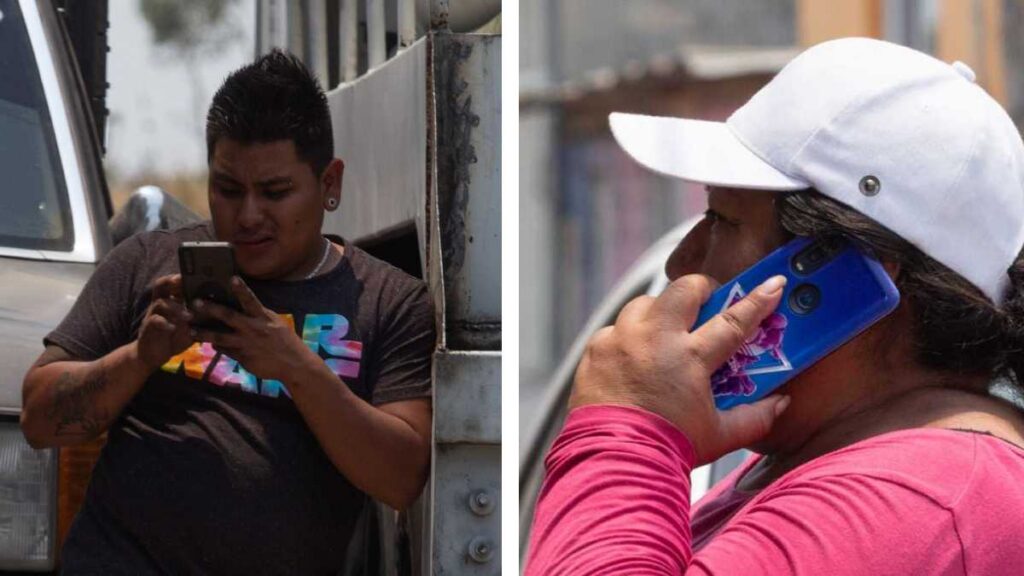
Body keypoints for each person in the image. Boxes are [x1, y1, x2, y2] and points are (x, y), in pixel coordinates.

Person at [525, 37, 1024, 574]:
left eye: (723, 220)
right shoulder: (844, 455)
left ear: (852, 273)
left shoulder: (914, 500)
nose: (681, 262)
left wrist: (629, 427)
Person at [20, 50, 435, 574]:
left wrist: (295, 366)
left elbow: (402, 478)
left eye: (275, 192)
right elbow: (38, 421)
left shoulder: (388, 301)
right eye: (228, 189)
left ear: (329, 183)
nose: (248, 215)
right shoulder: (146, 264)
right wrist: (140, 357)